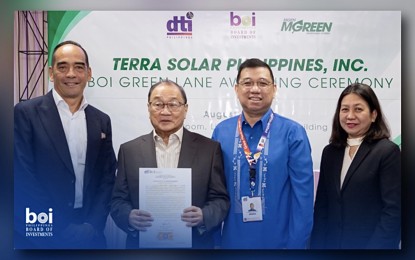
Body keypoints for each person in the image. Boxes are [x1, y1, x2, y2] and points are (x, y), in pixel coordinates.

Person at [14, 40, 117, 249]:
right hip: (40, 232)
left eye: (79, 67)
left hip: (90, 233)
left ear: (88, 73)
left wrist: (92, 225)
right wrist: (59, 227)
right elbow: (22, 176)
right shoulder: (25, 113)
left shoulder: (101, 120)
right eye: (63, 67)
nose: (71, 74)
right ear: (51, 73)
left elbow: (107, 178)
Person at [110, 80, 230, 249]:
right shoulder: (129, 150)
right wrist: (128, 217)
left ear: (185, 109)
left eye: (173, 104)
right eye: (158, 104)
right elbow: (117, 201)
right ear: (148, 107)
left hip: (195, 246)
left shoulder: (209, 149)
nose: (165, 111)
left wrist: (204, 215)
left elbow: (220, 199)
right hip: (143, 246)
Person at [212, 58, 314, 249]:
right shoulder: (221, 131)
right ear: (236, 89)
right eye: (247, 83)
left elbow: (303, 199)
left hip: (280, 245)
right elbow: (214, 193)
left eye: (263, 83)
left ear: (274, 89)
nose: (255, 89)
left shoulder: (293, 133)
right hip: (231, 245)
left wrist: (296, 247)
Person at [310, 83, 401, 249]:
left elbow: (394, 211)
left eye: (358, 109)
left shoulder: (388, 152)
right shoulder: (330, 152)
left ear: (373, 115)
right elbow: (323, 205)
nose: (350, 116)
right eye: (344, 109)